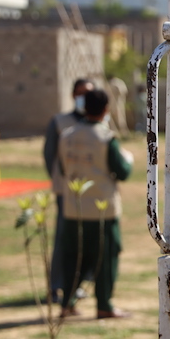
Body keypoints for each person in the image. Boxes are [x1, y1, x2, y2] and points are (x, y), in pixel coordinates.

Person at [58, 89, 133, 319]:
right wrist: (128, 159)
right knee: (105, 258)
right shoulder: (105, 138)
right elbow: (122, 171)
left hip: (74, 207)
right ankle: (104, 305)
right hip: (102, 208)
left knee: (74, 257)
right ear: (106, 109)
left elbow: (62, 168)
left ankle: (67, 303)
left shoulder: (67, 135)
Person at [43, 78, 92, 304]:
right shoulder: (60, 122)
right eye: (80, 93)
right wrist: (61, 181)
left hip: (90, 193)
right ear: (73, 95)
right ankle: (56, 286)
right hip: (66, 191)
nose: (84, 98)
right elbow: (50, 155)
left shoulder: (97, 122)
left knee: (86, 240)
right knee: (64, 237)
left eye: (88, 93)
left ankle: (78, 284)